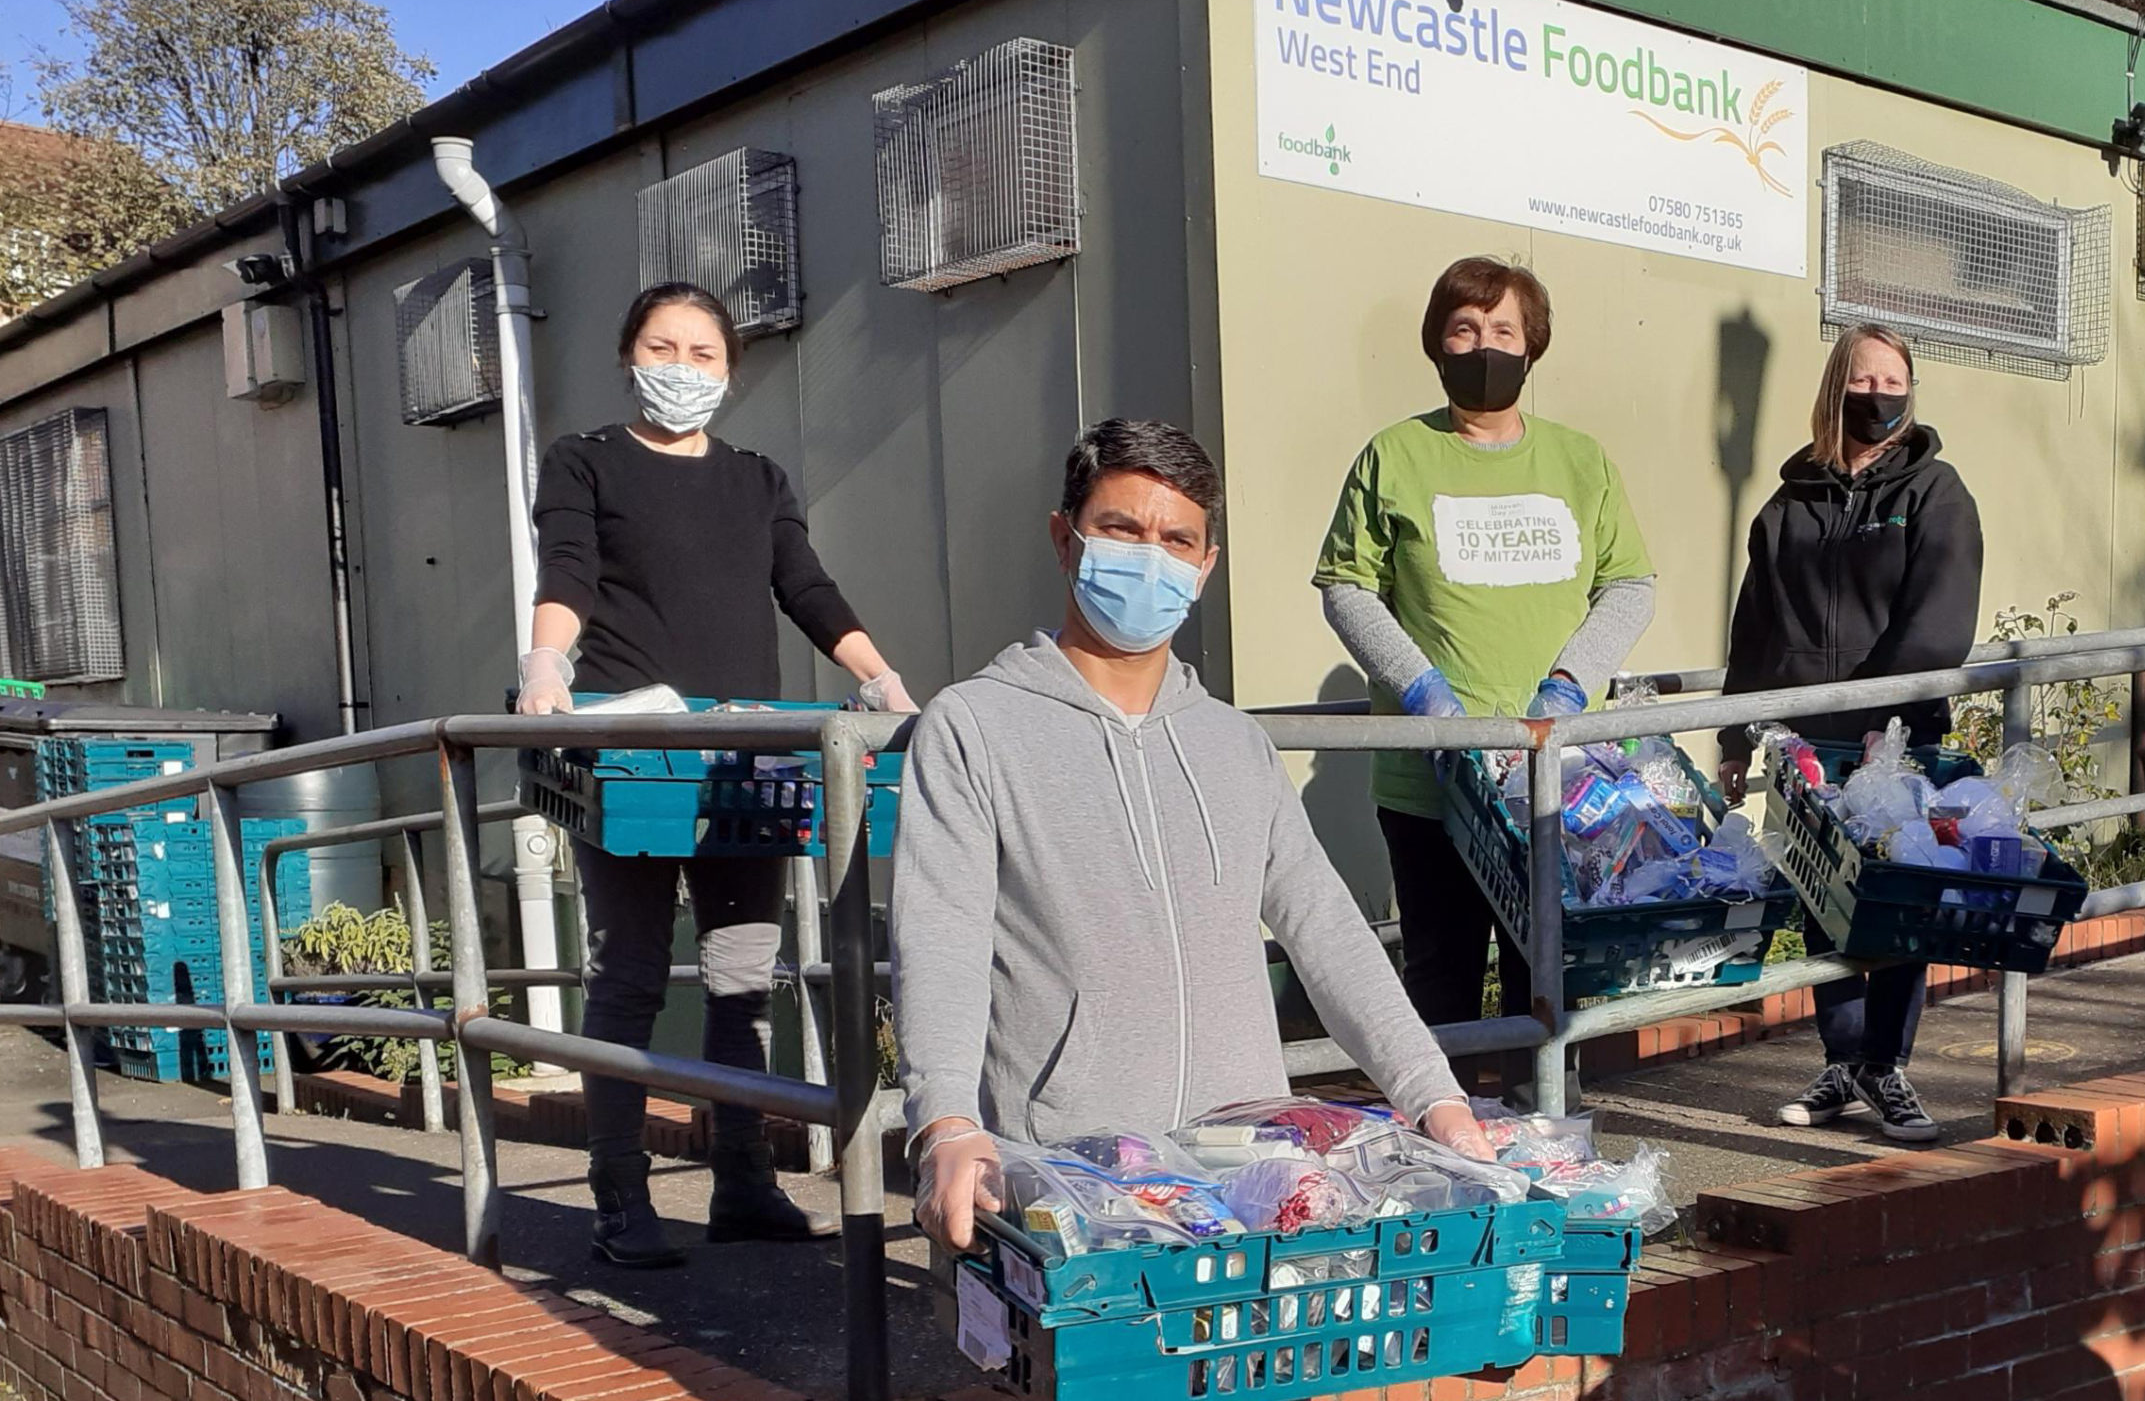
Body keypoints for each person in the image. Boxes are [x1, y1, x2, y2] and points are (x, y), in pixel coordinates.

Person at [892, 418, 1493, 1253]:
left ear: (1205, 566)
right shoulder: (974, 727)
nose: (1151, 556)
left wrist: (1436, 1096)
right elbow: (942, 941)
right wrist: (948, 1124)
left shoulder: (1235, 744)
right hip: (1071, 1183)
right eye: (1121, 530)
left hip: (1244, 1181)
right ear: (1065, 540)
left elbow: (1325, 929)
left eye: (1178, 540)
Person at [518, 281, 918, 1267]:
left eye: (704, 354)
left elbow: (805, 586)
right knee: (632, 973)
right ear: (628, 355)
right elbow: (566, 571)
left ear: (730, 372)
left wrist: (880, 677)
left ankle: (744, 1182)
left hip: (746, 756)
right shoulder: (586, 462)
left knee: (744, 980)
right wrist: (544, 660)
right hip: (632, 750)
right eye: (664, 347)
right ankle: (621, 1196)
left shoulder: (756, 480)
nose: (682, 369)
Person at [1315, 256, 1656, 1032]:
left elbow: (1629, 584)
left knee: (1555, 981)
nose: (1484, 346)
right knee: (1443, 975)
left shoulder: (1581, 460)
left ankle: (1548, 1142)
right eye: (1464, 329)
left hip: (1560, 779)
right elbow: (1346, 586)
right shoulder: (1393, 457)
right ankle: (1452, 1142)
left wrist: (1570, 684)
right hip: (1431, 782)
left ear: (1532, 346)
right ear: (1436, 345)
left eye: (1504, 329)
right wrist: (1423, 692)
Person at [1716, 323, 1984, 1144]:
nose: (1878, 395)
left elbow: (1938, 627)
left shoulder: (1934, 495)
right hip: (1807, 745)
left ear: (1911, 392)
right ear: (1837, 388)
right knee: (1825, 897)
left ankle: (1887, 1064)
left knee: (1899, 902)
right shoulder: (1786, 506)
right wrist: (1732, 737)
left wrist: (1886, 725)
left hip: (1896, 744)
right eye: (1863, 380)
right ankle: (1844, 1059)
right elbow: (1753, 631)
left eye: (1892, 380)